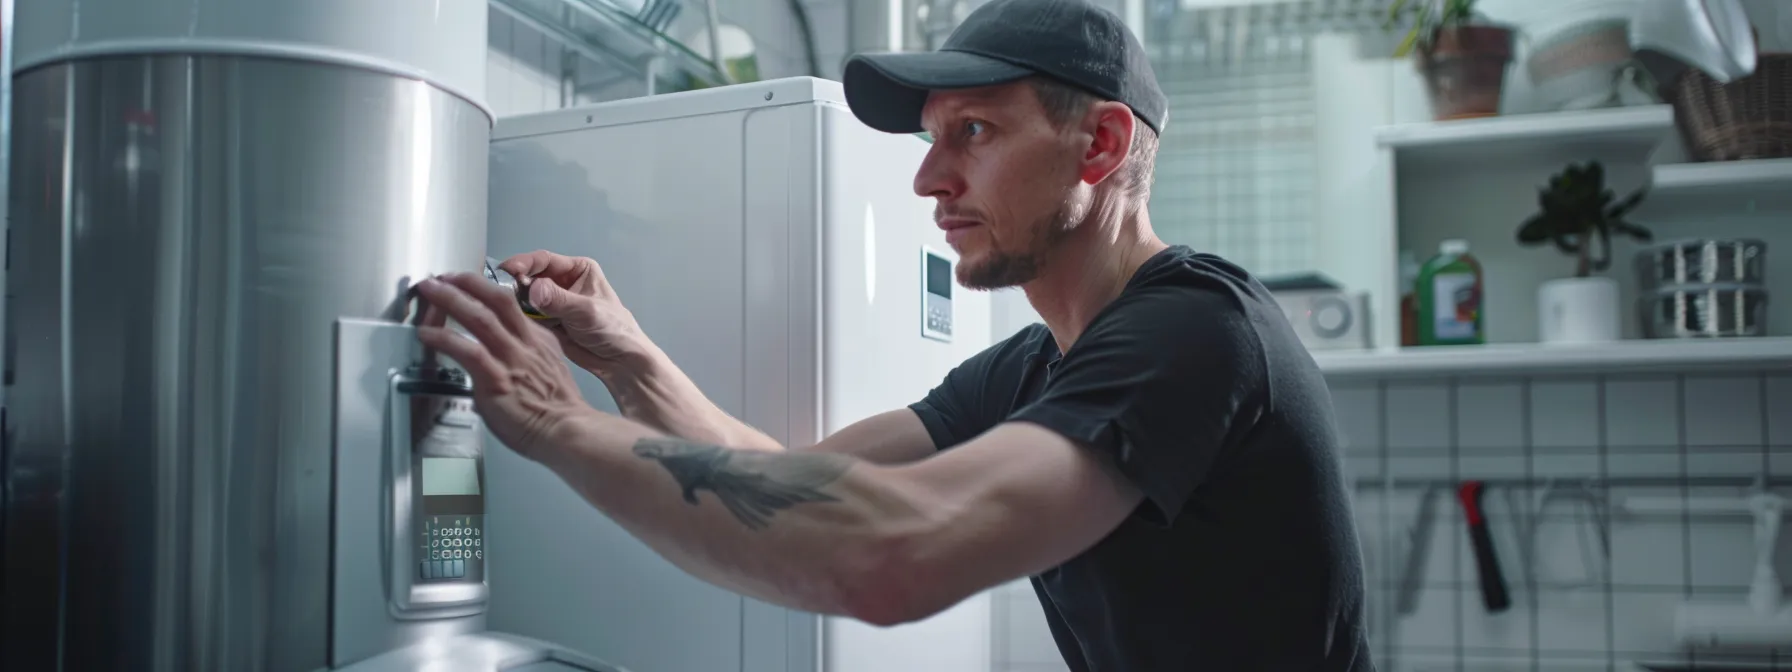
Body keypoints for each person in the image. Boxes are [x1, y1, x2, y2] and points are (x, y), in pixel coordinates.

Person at [412, 0, 1372, 668]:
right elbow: (790, 484)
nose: (928, 180)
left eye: (977, 133)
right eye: (931, 138)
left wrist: (554, 423)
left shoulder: (1198, 331)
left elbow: (890, 554)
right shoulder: (1034, 367)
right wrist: (627, 359)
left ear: (1103, 144)